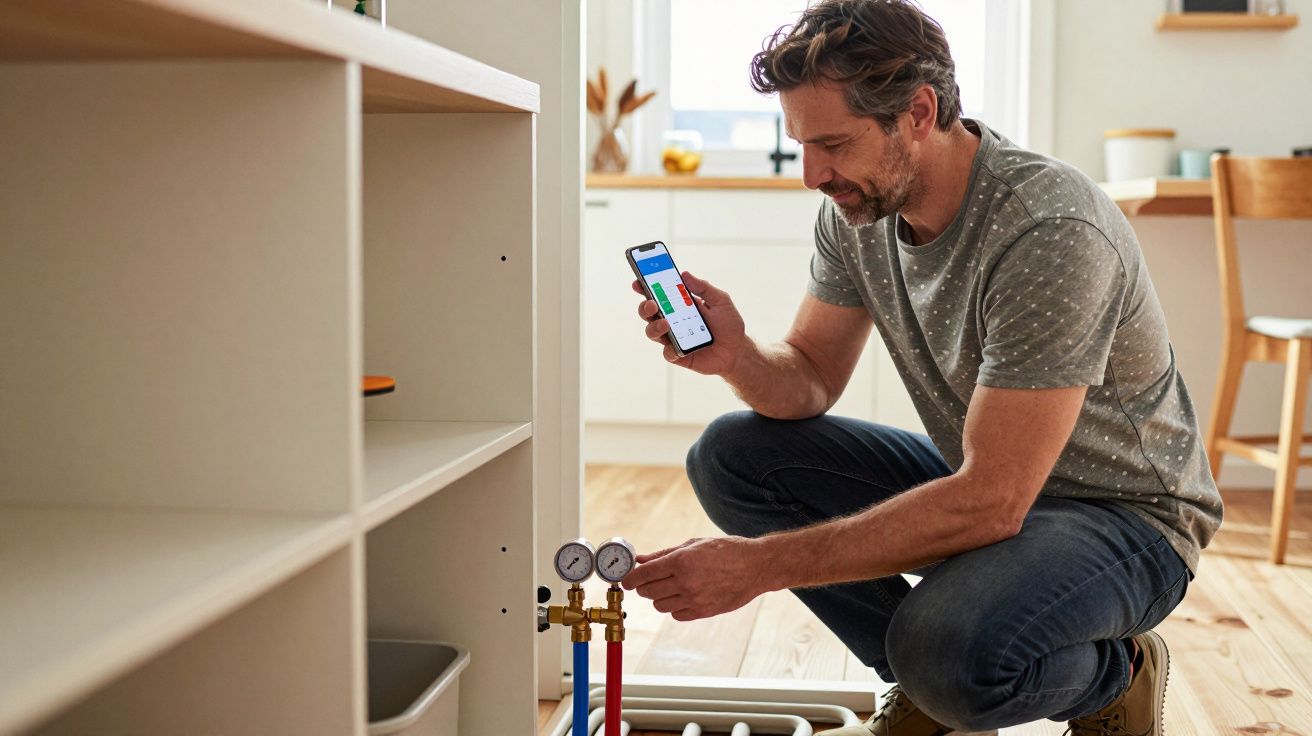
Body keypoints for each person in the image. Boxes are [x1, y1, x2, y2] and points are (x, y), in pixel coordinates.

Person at [619, 1, 1223, 734]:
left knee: (948, 653)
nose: (812, 174)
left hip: (1126, 517)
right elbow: (809, 375)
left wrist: (755, 567)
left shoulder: (1048, 227)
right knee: (732, 455)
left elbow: (992, 501)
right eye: (801, 144)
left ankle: (1114, 670)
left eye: (833, 143)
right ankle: (928, 683)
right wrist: (737, 355)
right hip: (992, 482)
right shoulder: (860, 212)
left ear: (918, 112)